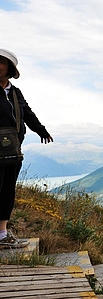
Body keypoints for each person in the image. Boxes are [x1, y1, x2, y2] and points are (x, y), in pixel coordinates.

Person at [0, 48, 53, 249]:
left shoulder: (14, 92)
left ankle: (2, 234)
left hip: (12, 149)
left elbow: (27, 113)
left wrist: (41, 130)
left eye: (1, 62)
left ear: (10, 69)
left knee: (7, 191)